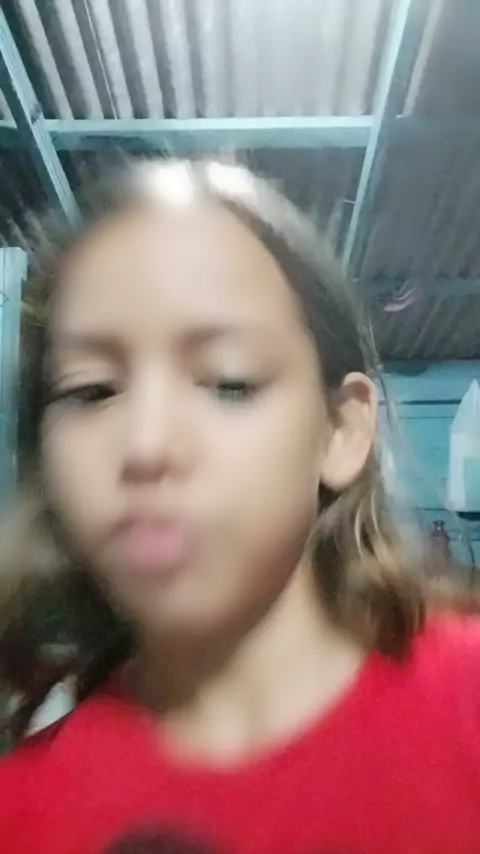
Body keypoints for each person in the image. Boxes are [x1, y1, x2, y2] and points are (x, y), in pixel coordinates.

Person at [0, 158, 479, 854]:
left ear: (340, 431)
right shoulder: (18, 814)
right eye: (91, 390)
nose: (146, 444)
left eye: (229, 382)